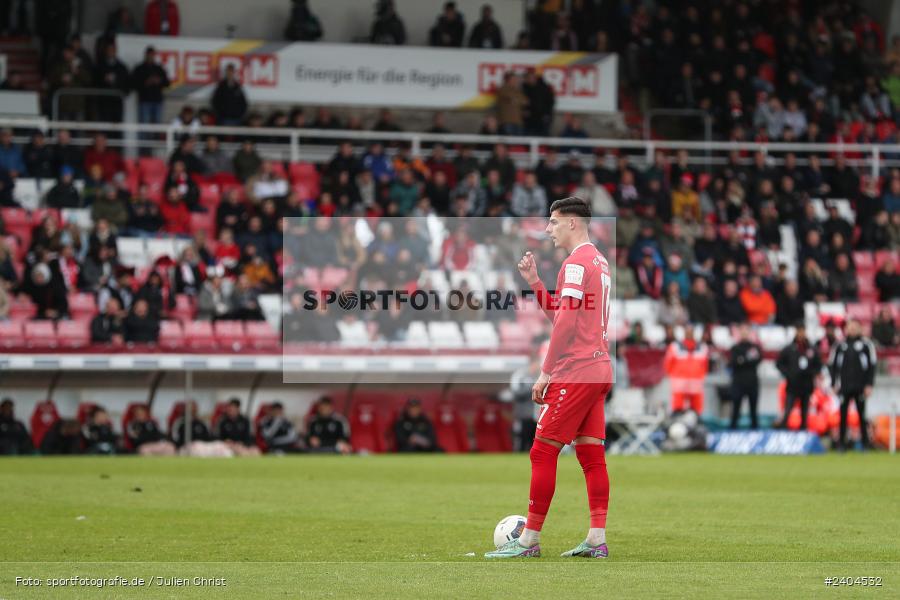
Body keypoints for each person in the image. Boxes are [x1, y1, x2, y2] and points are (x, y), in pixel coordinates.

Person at [486, 197, 612, 559]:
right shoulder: (599, 262)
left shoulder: (575, 264)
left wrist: (545, 371)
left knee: (542, 451)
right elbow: (563, 313)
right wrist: (535, 282)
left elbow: (567, 324)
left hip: (577, 370)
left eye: (554, 222)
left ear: (573, 223)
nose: (547, 229)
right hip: (600, 367)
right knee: (591, 455)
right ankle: (596, 539)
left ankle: (528, 541)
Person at [829, 320, 877, 451]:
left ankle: (865, 443)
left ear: (860, 328)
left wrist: (869, 384)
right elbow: (832, 365)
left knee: (862, 415)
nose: (852, 329)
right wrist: (833, 383)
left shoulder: (866, 345)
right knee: (843, 415)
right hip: (844, 386)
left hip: (860, 386)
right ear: (846, 329)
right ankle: (842, 444)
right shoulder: (839, 345)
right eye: (850, 327)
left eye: (855, 327)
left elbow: (872, 366)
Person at [776, 324, 822, 430]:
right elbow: (779, 363)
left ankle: (803, 433)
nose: (801, 333)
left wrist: (811, 373)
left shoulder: (812, 349)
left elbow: (818, 365)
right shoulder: (789, 349)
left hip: (806, 385)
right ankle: (782, 432)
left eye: (802, 331)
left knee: (804, 412)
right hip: (793, 385)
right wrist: (788, 374)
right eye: (799, 331)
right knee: (788, 410)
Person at [662, 325, 709, 414]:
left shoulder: (702, 347)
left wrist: (701, 376)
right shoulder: (674, 346)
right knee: (677, 408)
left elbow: (705, 365)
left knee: (696, 409)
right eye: (687, 331)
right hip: (679, 383)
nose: (689, 333)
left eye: (691, 331)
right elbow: (668, 363)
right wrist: (672, 375)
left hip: (696, 383)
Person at [728, 324, 762, 429]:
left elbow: (757, 360)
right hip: (738, 382)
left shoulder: (755, 347)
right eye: (742, 331)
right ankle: (732, 432)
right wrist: (747, 360)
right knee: (735, 410)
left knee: (753, 411)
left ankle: (755, 432)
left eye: (746, 330)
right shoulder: (735, 348)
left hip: (752, 382)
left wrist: (742, 360)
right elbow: (733, 363)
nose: (744, 333)